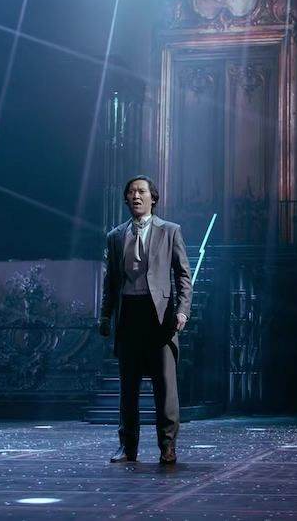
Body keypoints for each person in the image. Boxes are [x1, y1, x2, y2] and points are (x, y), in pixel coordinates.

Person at [99, 175, 192, 465]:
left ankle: (168, 445)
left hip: (160, 316)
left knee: (165, 386)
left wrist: (182, 310)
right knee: (128, 387)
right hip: (129, 313)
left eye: (141, 191)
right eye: (131, 192)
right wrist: (105, 315)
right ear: (126, 199)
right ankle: (127, 447)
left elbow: (183, 276)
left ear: (153, 198)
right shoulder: (115, 236)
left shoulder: (170, 231)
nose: (136, 196)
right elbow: (111, 281)